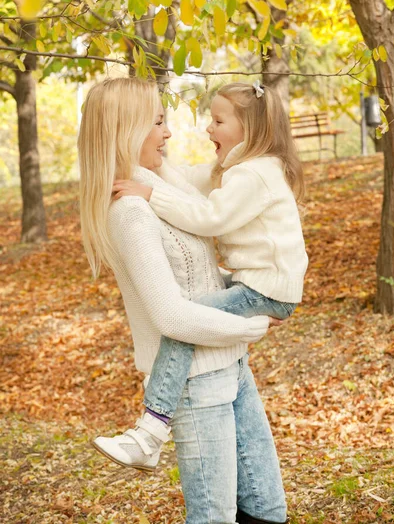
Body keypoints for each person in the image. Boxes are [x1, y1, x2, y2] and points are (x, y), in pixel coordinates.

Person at [78, 77, 289, 524]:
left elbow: (201, 268)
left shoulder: (159, 186)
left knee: (266, 508)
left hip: (231, 367)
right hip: (194, 381)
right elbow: (171, 314)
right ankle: (148, 431)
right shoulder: (131, 210)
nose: (169, 133)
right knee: (215, 517)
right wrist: (252, 325)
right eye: (157, 122)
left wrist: (257, 284)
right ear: (125, 129)